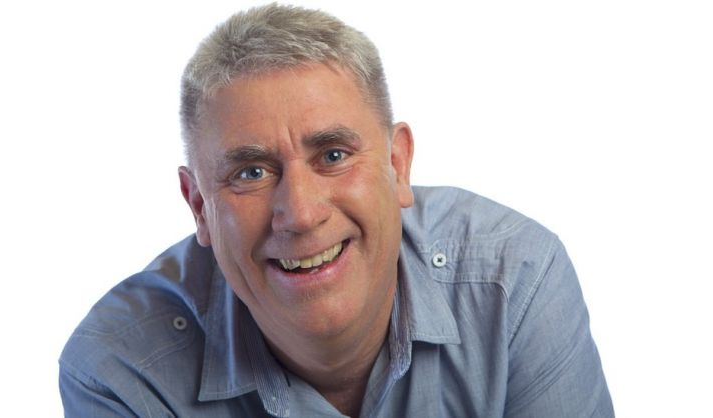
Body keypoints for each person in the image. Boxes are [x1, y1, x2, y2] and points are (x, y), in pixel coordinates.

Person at [59, 4, 613, 417]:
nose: (301, 214)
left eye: (333, 156)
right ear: (199, 206)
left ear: (397, 164)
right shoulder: (121, 368)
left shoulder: (513, 281)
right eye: (251, 172)